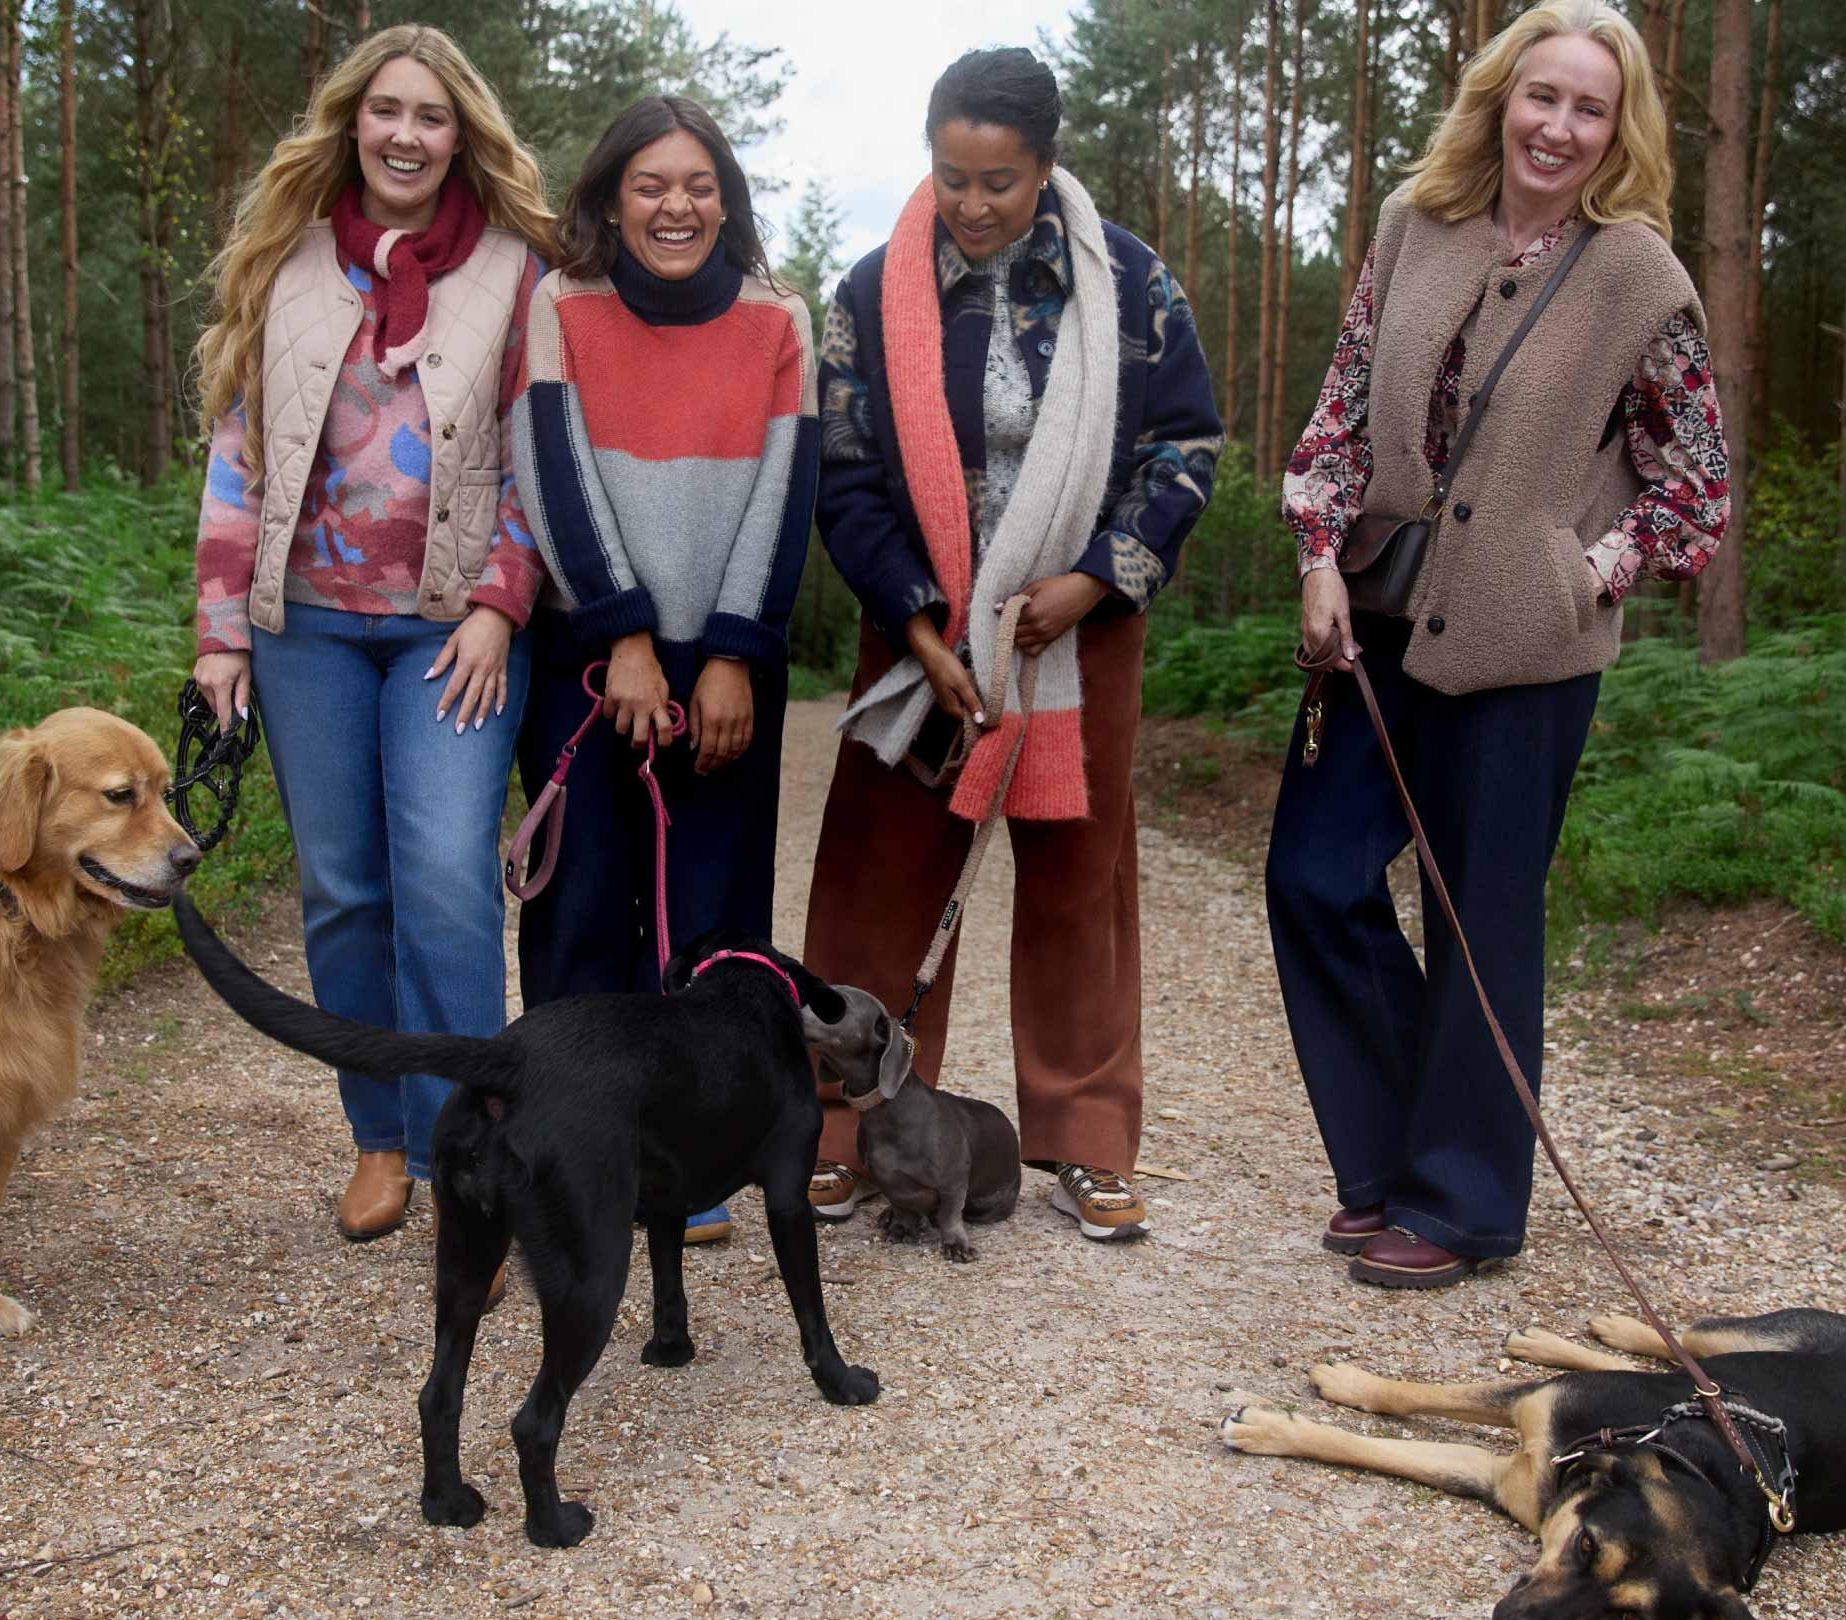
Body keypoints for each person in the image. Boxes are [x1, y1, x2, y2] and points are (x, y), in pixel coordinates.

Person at [1267, 0, 1728, 1289]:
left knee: (1481, 921)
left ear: (1615, 129)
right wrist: (1316, 553)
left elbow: (1693, 484)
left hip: (1529, 649)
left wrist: (1598, 570)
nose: (1560, 126)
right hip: (1372, 613)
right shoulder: (1415, 230)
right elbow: (1342, 410)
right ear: (1498, 100)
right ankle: (1392, 1161)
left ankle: (1462, 1204)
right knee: (1314, 876)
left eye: (1590, 107)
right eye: (1543, 97)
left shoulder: (1640, 275)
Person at [803, 47, 1224, 1244]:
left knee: (1076, 883)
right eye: (952, 177)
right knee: (877, 876)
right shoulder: (868, 293)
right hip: (922, 633)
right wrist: (925, 622)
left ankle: (1087, 1142)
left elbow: (1186, 448)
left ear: (1045, 168)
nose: (974, 205)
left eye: (1000, 181)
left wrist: (1094, 580)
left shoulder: (1131, 284)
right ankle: (842, 1127)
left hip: (1078, 634)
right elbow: (842, 474)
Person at [189, 24, 555, 1244]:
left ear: (464, 138)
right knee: (343, 891)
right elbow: (238, 454)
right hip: (308, 633)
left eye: (432, 116)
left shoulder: (517, 271)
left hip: (453, 632)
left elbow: (539, 458)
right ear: (353, 120)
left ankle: (477, 1163)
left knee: (448, 883)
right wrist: (220, 634)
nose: (406, 134)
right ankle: (382, 1137)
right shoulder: (284, 261)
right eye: (386, 110)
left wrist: (507, 600)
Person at [509, 97, 818, 1246]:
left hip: (728, 660)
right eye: (651, 185)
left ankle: (689, 1173)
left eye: (697, 186)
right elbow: (555, 473)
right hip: (595, 659)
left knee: (714, 919)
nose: (675, 206)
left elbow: (787, 498)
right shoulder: (564, 308)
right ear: (612, 197)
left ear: (726, 199)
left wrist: (736, 650)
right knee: (585, 904)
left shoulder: (778, 320)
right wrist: (621, 630)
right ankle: (569, 1149)